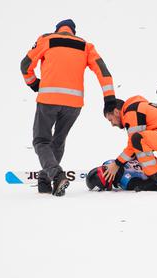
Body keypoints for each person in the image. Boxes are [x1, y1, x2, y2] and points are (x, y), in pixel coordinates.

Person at [20, 19, 117, 196]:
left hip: (48, 99)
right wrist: (109, 99)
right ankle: (45, 181)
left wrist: (34, 83)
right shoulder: (86, 46)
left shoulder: (47, 39)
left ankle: (56, 175)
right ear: (73, 31)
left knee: (41, 141)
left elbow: (25, 65)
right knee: (58, 141)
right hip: (74, 104)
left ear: (58, 29)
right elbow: (104, 73)